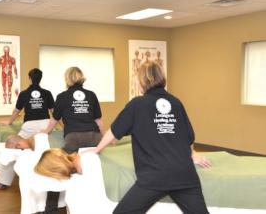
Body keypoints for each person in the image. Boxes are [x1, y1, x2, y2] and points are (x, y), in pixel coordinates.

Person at [88, 60, 210, 214]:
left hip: (154, 177)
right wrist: (192, 154)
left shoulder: (137, 104)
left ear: (143, 81)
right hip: (184, 175)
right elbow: (188, 137)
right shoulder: (176, 102)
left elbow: (113, 131)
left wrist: (97, 149)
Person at [42, 66, 105, 153]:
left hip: (74, 138)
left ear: (67, 79)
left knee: (65, 158)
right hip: (94, 137)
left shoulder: (62, 96)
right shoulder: (91, 94)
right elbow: (98, 119)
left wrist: (45, 131)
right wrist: (104, 138)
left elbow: (55, 118)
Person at [3, 68, 55, 138]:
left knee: (17, 140)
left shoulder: (23, 94)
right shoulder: (47, 93)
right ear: (40, 79)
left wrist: (9, 122)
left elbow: (16, 111)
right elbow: (54, 111)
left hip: (29, 126)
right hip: (45, 125)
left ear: (30, 78)